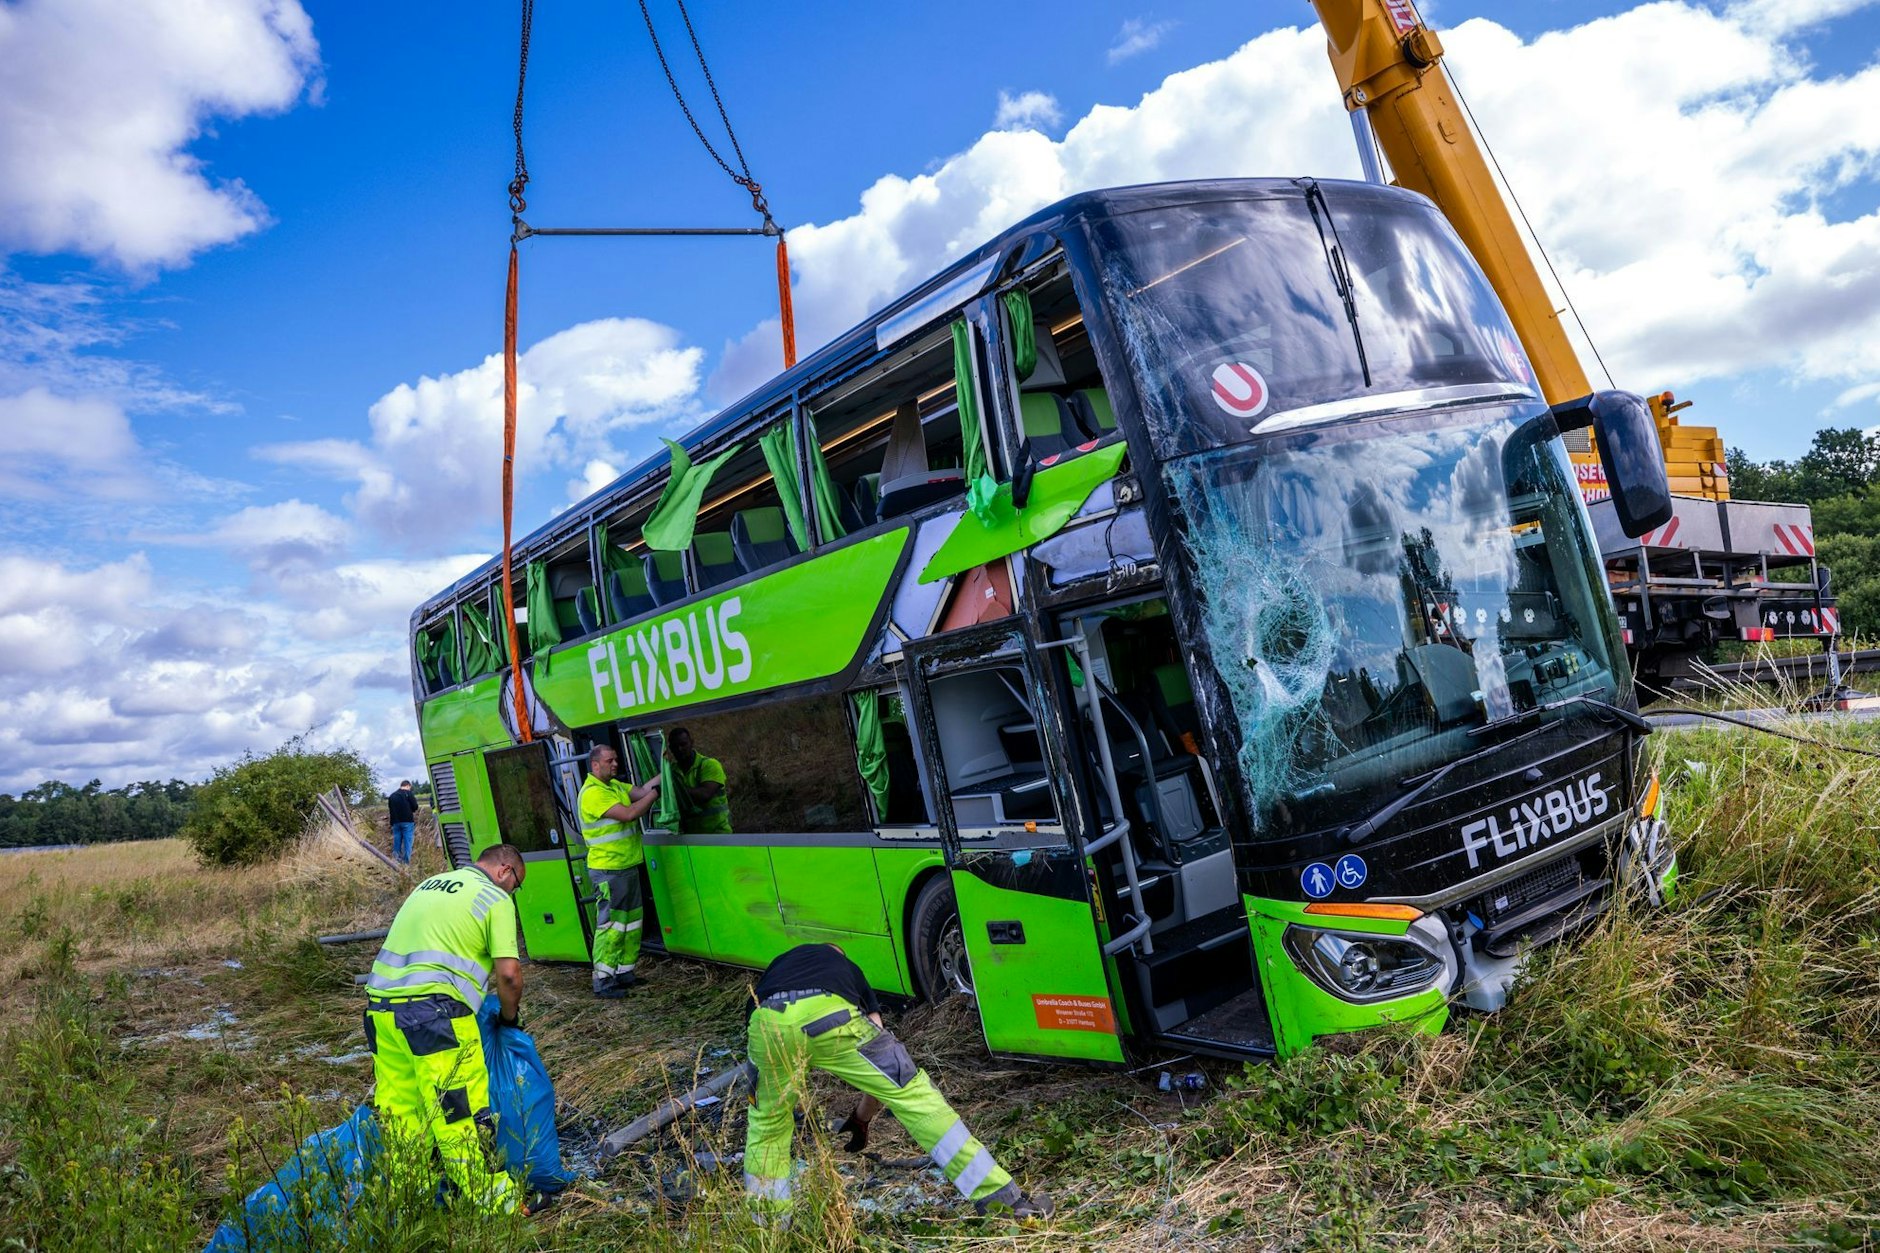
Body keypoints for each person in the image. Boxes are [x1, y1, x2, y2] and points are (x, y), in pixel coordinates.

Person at [741, 942, 1050, 1221]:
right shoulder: (847, 967)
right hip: (829, 1013)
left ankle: (769, 1228)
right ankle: (1002, 1201)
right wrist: (862, 1117)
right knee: (914, 1096)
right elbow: (879, 1053)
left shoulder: (779, 964)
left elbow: (754, 1025)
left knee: (767, 1126)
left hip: (766, 1024)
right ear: (838, 954)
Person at [364, 843, 528, 1215]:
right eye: (516, 885)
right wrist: (508, 1017)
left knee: (401, 1113)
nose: (512, 892)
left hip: (380, 1013)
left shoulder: (431, 884)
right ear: (505, 871)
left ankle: (413, 1205)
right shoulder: (494, 898)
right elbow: (508, 975)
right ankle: (498, 1207)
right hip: (434, 1018)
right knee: (459, 1111)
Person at [579, 744, 661, 998]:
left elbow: (641, 791)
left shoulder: (613, 786)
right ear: (595, 765)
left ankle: (625, 973)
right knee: (611, 926)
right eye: (610, 760)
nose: (615, 764)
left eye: (616, 759)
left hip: (625, 868)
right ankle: (603, 981)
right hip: (608, 871)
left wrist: (665, 771)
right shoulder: (593, 793)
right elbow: (629, 813)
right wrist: (656, 794)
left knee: (631, 924)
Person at [667, 726, 732, 835]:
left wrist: (674, 788)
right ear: (670, 749)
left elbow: (705, 794)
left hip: (719, 835)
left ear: (692, 743)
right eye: (675, 746)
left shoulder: (709, 765)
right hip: (692, 837)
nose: (680, 749)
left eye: (683, 744)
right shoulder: (671, 771)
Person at [387, 779, 420, 863]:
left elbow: (390, 808)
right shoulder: (408, 794)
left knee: (397, 841)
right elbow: (415, 806)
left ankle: (396, 861)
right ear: (408, 786)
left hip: (395, 822)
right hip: (407, 821)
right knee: (407, 842)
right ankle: (406, 862)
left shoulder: (392, 796)